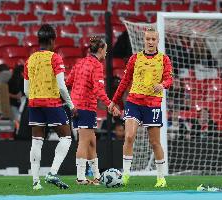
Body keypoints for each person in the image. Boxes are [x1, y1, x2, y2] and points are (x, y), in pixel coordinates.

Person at [108, 27, 173, 187]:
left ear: (157, 41)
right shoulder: (134, 58)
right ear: (144, 40)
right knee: (129, 136)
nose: (150, 42)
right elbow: (124, 81)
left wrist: (163, 84)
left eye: (153, 39)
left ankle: (160, 178)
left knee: (155, 142)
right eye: (148, 39)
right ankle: (126, 176)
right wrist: (114, 101)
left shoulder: (164, 59)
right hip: (134, 102)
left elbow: (169, 80)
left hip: (153, 104)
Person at [24, 24, 76, 190]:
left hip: (33, 103)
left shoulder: (29, 60)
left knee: (36, 142)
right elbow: (61, 86)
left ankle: (35, 182)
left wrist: (34, 100)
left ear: (39, 41)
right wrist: (71, 105)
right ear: (53, 40)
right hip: (52, 103)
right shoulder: (55, 58)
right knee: (66, 137)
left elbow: (26, 90)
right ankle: (52, 172)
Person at [66, 36, 120, 185]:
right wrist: (111, 105)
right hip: (85, 106)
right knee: (84, 141)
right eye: (106, 50)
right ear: (101, 50)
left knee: (91, 142)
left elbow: (68, 82)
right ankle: (80, 177)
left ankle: (96, 176)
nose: (106, 53)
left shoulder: (79, 63)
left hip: (76, 106)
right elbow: (98, 90)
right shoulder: (96, 65)